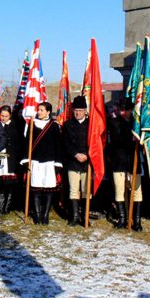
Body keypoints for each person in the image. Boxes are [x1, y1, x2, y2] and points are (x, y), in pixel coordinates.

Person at [20, 102, 63, 225]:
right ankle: (37, 214)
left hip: (49, 161)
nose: (39, 112)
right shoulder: (32, 125)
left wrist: (58, 163)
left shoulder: (54, 126)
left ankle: (45, 215)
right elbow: (26, 143)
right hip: (35, 161)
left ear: (48, 112)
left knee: (49, 189)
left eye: (42, 110)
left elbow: (58, 146)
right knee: (36, 189)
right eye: (38, 110)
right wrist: (25, 160)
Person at [107, 99, 143, 230]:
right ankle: (122, 219)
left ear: (130, 110)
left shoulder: (137, 123)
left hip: (134, 161)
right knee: (119, 190)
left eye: (125, 110)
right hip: (119, 161)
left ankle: (137, 221)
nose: (123, 113)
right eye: (120, 110)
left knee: (136, 192)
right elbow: (117, 140)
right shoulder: (114, 122)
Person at [62, 96, 89, 226]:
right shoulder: (67, 125)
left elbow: (95, 144)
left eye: (80, 110)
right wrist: (75, 154)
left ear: (85, 110)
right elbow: (65, 143)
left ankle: (84, 216)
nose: (77, 113)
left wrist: (87, 155)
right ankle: (74, 216)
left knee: (85, 190)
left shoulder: (91, 125)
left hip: (87, 162)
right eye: (75, 110)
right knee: (73, 189)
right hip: (72, 161)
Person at [0, 105, 21, 214]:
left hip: (11, 158)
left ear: (10, 115)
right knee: (0, 184)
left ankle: (8, 206)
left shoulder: (15, 126)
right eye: (2, 116)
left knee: (9, 184)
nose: (3, 118)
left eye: (6, 116)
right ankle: (0, 206)